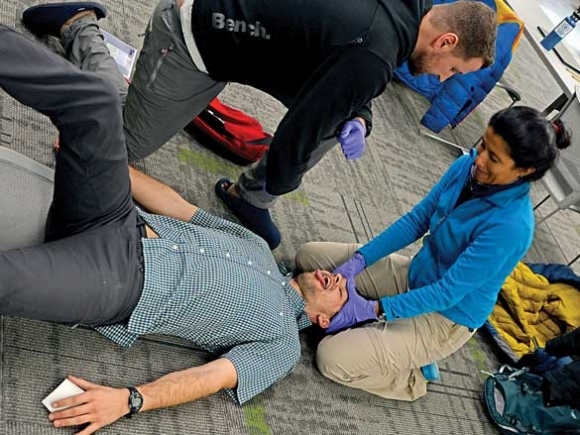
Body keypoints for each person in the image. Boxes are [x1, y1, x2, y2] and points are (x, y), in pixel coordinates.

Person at [0, 24, 350, 435]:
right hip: (119, 218)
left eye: (341, 293)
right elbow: (179, 207)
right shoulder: (257, 246)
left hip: (120, 284)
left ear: (324, 321)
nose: (337, 279)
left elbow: (212, 378)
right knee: (95, 105)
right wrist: (106, 163)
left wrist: (130, 400)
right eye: (341, 277)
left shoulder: (282, 346)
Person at [22, 0, 498, 249]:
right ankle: (79, 26)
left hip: (252, 40)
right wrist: (282, 176)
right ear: (446, 40)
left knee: (341, 115)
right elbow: (298, 134)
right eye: (453, 69)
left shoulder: (405, 12)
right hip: (193, 37)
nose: (443, 78)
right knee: (118, 148)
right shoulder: (373, 53)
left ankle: (247, 196)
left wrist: (360, 113)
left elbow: (351, 74)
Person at [294, 105, 571, 401]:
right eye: (483, 143)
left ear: (523, 171)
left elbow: (447, 292)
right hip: (416, 275)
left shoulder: (512, 226)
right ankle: (390, 331)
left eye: (494, 157)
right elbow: (416, 221)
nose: (479, 159)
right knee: (309, 256)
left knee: (331, 358)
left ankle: (411, 376)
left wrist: (372, 309)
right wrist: (360, 261)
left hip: (445, 315)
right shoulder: (467, 167)